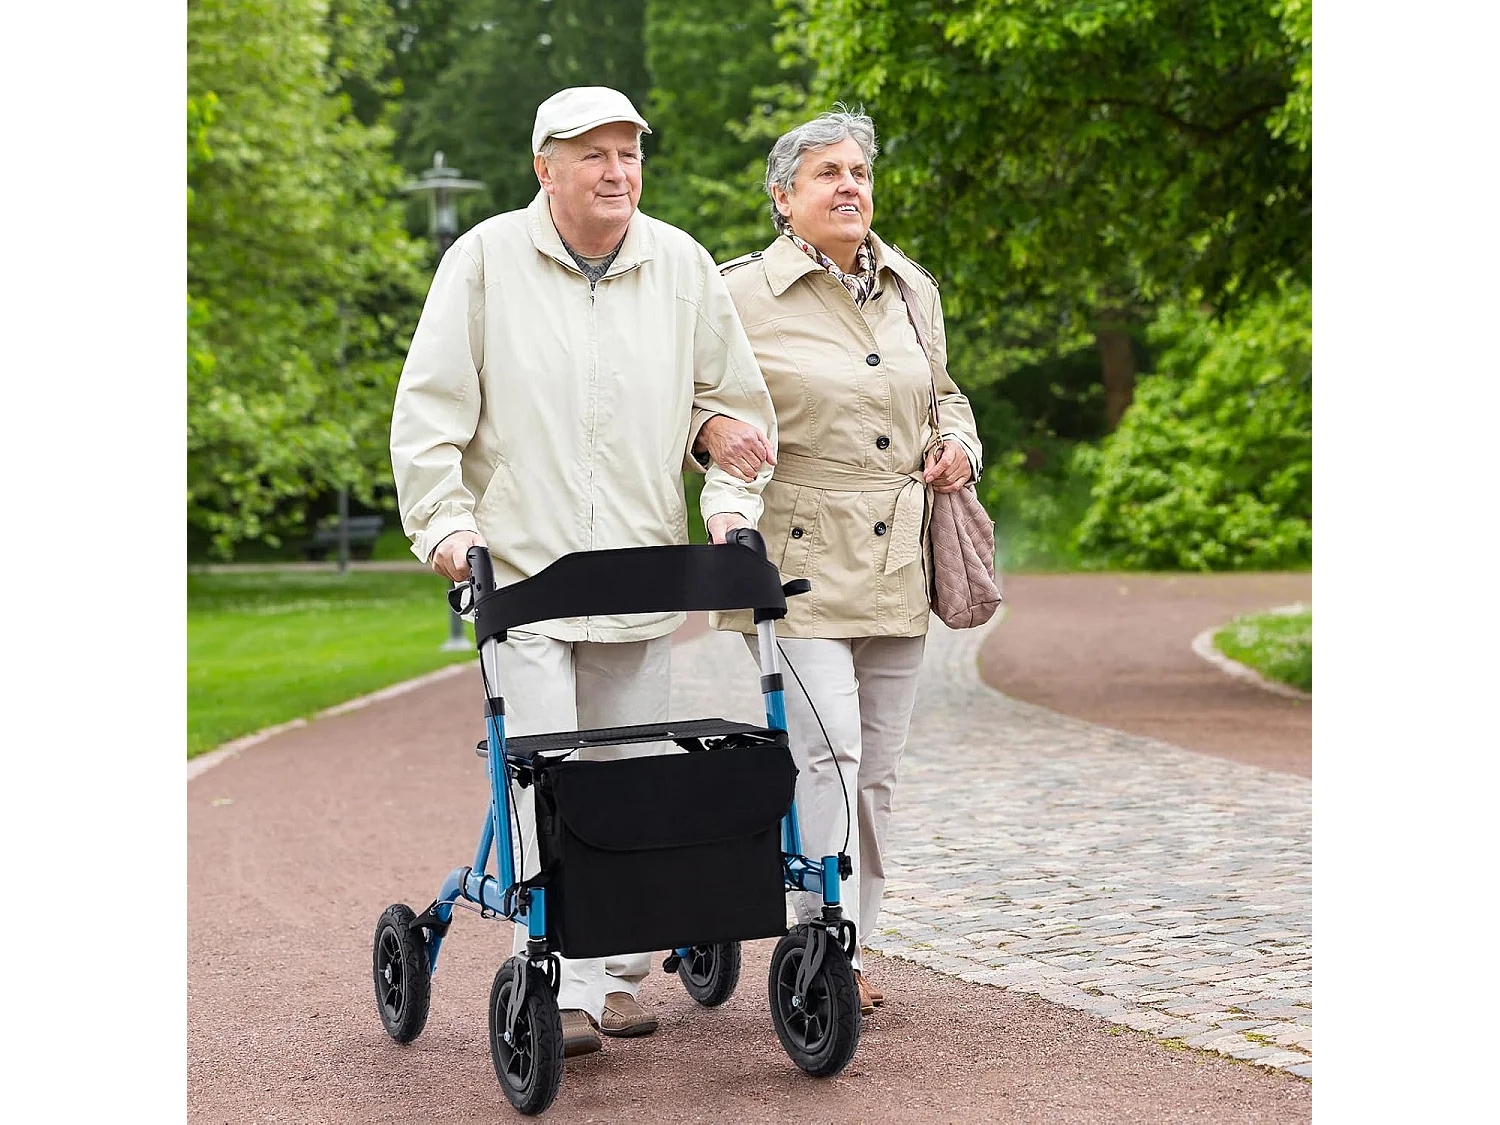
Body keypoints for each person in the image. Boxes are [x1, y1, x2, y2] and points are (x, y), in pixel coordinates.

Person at [390, 86, 777, 1058]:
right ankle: (554, 981)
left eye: (629, 154)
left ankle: (614, 977)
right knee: (543, 773)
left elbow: (726, 405)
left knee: (631, 781)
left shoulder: (681, 266)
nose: (617, 172)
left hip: (639, 577)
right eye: (593, 155)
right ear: (544, 169)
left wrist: (720, 459)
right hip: (522, 577)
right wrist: (444, 528)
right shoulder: (481, 263)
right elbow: (430, 417)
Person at [710, 108, 983, 1016]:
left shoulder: (912, 286)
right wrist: (714, 455)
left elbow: (944, 395)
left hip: (900, 559)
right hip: (797, 563)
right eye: (826, 172)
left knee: (877, 774)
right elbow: (699, 411)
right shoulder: (736, 294)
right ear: (784, 198)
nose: (850, 186)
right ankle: (818, 940)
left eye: (859, 171)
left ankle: (850, 943)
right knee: (827, 754)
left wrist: (958, 447)